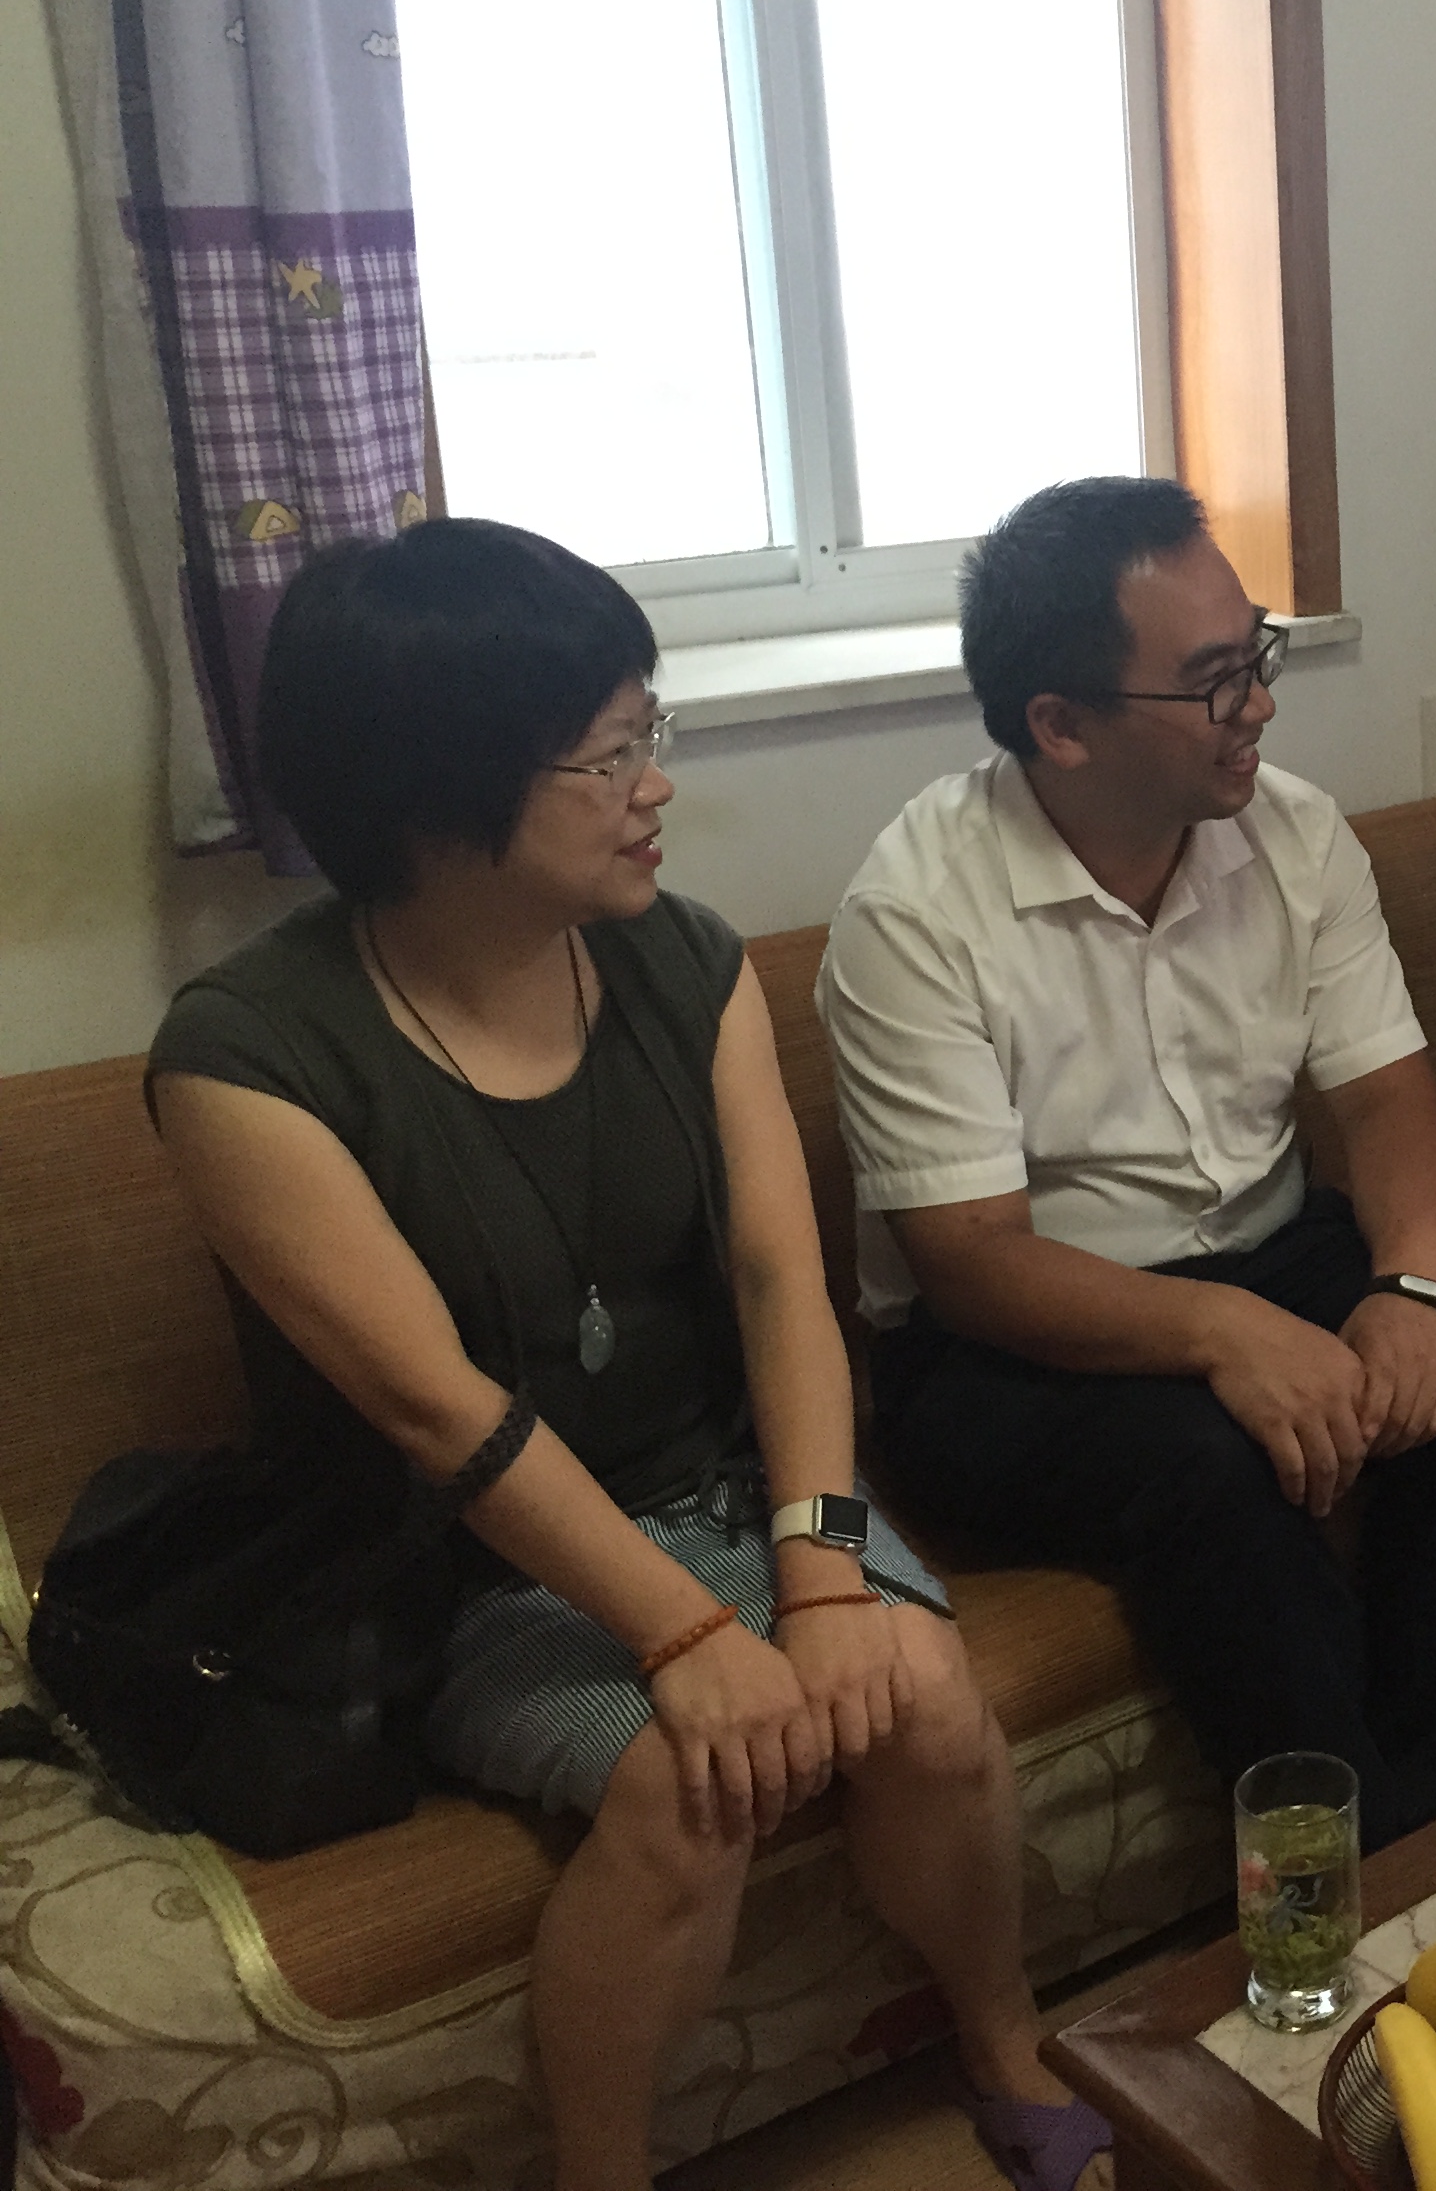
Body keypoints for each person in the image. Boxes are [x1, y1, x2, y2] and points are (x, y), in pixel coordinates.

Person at [146, 524, 1096, 2191]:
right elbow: (428, 1406)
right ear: (434, 794)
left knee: (927, 1704)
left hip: (718, 1486)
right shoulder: (246, 1058)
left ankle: (1002, 2031)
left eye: (648, 730)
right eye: (606, 755)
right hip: (460, 1566)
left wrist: (816, 1565)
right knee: (685, 1783)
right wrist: (681, 1633)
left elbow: (780, 1276)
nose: (655, 785)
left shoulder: (680, 959)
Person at [818, 477, 1436, 1849]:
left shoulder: (1294, 833)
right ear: (1061, 725)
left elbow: (1390, 1103)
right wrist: (1227, 1335)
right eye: (1216, 681)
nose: (1261, 705)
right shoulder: (915, 913)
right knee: (1215, 1464)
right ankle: (1337, 1871)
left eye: (1257, 655)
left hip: (1271, 1248)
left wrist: (1411, 1290)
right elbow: (973, 1263)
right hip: (1006, 1343)